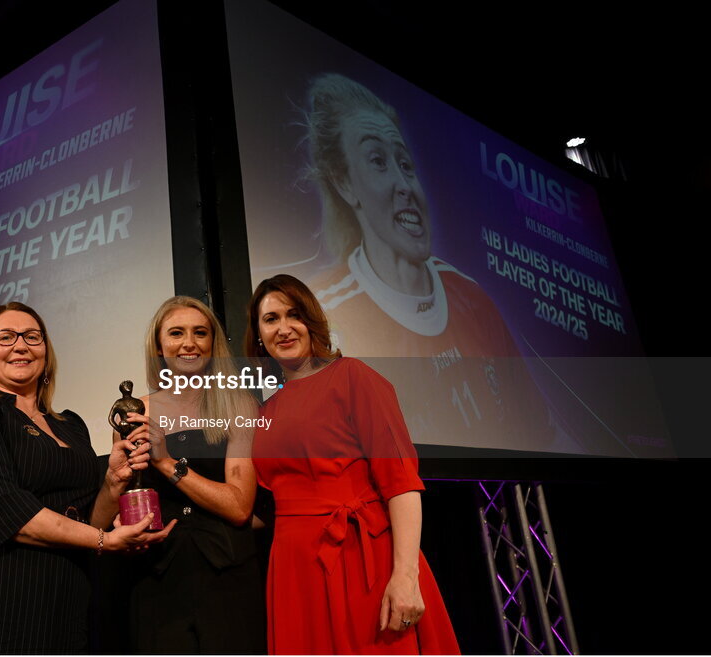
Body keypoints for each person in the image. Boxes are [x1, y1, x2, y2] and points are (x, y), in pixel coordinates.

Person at [302, 73, 557, 451]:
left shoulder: (471, 298)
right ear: (345, 184)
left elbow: (539, 435)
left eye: (405, 164)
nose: (404, 184)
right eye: (377, 161)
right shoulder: (320, 311)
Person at [0, 302, 174, 654]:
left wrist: (112, 480)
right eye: (5, 337)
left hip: (59, 605)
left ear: (46, 355)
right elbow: (5, 507)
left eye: (32, 337)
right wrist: (106, 542)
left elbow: (86, 522)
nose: (20, 345)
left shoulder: (71, 425)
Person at [245, 274, 459, 654]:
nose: (283, 328)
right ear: (258, 334)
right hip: (295, 572)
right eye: (271, 319)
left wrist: (406, 578)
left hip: (363, 559)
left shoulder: (353, 377)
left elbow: (401, 483)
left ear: (311, 321)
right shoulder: (265, 411)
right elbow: (263, 504)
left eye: (293, 315)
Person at [115, 296, 265, 654]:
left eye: (200, 333)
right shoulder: (136, 411)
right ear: (158, 345)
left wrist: (166, 463)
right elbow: (121, 502)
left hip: (227, 573)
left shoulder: (239, 406)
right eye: (176, 333)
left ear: (213, 344)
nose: (189, 343)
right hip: (156, 575)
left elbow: (240, 506)